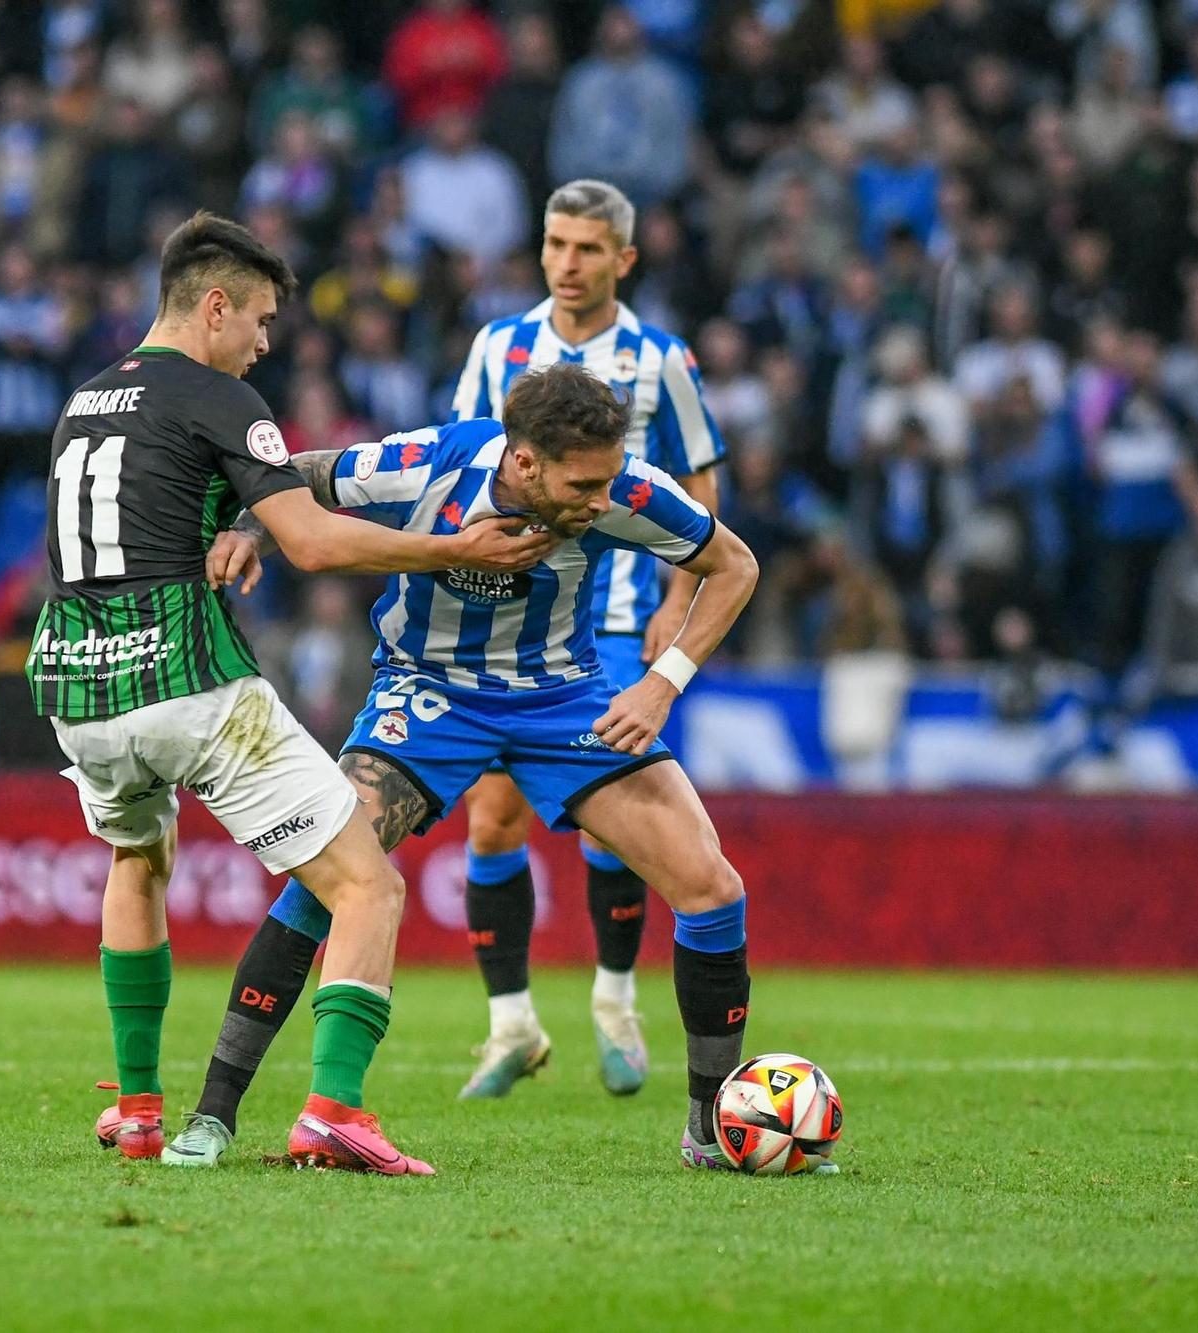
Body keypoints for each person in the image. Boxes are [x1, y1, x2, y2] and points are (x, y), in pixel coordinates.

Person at [31, 212, 552, 1175]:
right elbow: (314, 541)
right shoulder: (223, 397)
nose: (265, 342)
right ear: (214, 306)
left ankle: (140, 1111)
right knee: (368, 884)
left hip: (76, 684)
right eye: (261, 319)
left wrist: (235, 526)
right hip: (185, 680)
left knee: (138, 862)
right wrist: (451, 547)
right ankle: (332, 1112)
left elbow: (144, 513)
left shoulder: (85, 401)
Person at [168, 363, 777, 1175]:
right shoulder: (428, 466)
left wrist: (662, 685)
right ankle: (214, 1114)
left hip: (564, 702)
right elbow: (307, 473)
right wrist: (248, 524)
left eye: (606, 479)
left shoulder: (627, 489)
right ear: (524, 462)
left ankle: (711, 1131)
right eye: (582, 482)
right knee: (330, 876)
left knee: (713, 887)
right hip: (428, 695)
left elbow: (735, 565)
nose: (601, 499)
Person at [445, 180, 727, 1100]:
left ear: (624, 260)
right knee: (493, 817)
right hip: (502, 619)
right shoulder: (499, 346)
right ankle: (511, 1025)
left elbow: (698, 494)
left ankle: (614, 999)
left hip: (611, 622)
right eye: (556, 243)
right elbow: (460, 461)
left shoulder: (661, 360)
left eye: (588, 248)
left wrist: (675, 601)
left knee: (614, 825)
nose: (568, 263)